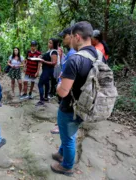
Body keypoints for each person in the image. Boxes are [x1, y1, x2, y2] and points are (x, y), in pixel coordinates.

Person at [50, 21, 101, 175]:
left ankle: (66, 166)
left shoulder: (75, 59)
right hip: (86, 104)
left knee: (69, 137)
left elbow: (63, 92)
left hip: (70, 108)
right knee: (69, 133)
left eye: (71, 36)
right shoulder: (97, 55)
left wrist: (58, 84)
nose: (70, 40)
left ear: (77, 37)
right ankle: (61, 153)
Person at [50, 27, 77, 134]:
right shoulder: (70, 53)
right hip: (66, 87)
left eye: (64, 37)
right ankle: (61, 125)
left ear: (71, 36)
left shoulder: (73, 54)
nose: (63, 39)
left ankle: (61, 126)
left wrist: (60, 86)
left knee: (68, 136)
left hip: (67, 90)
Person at [36, 38, 58, 106]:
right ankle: (45, 97)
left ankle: (41, 100)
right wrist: (41, 57)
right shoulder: (49, 51)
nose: (49, 44)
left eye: (51, 43)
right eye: (49, 42)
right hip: (46, 69)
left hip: (48, 70)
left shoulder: (54, 52)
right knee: (46, 83)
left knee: (40, 84)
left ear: (54, 44)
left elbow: (54, 63)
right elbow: (46, 58)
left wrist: (43, 61)